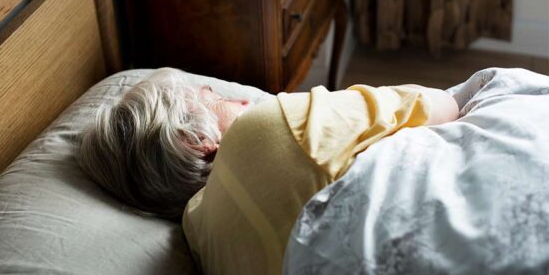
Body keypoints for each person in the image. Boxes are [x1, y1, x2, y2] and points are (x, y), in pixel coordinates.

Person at [77, 68, 459, 275]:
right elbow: (440, 106)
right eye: (219, 99)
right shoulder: (261, 128)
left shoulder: (200, 237)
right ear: (195, 141)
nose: (244, 98)